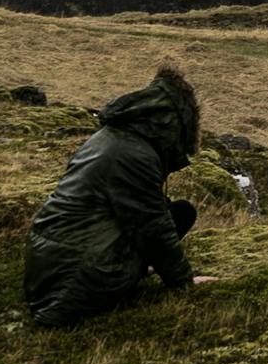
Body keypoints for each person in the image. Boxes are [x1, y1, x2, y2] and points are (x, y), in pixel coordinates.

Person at [23, 65, 213, 327]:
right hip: (71, 283)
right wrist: (183, 283)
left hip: (53, 264)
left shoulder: (114, 138)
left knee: (179, 212)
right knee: (160, 222)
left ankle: (130, 270)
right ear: (171, 125)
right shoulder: (133, 156)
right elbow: (152, 227)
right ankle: (120, 275)